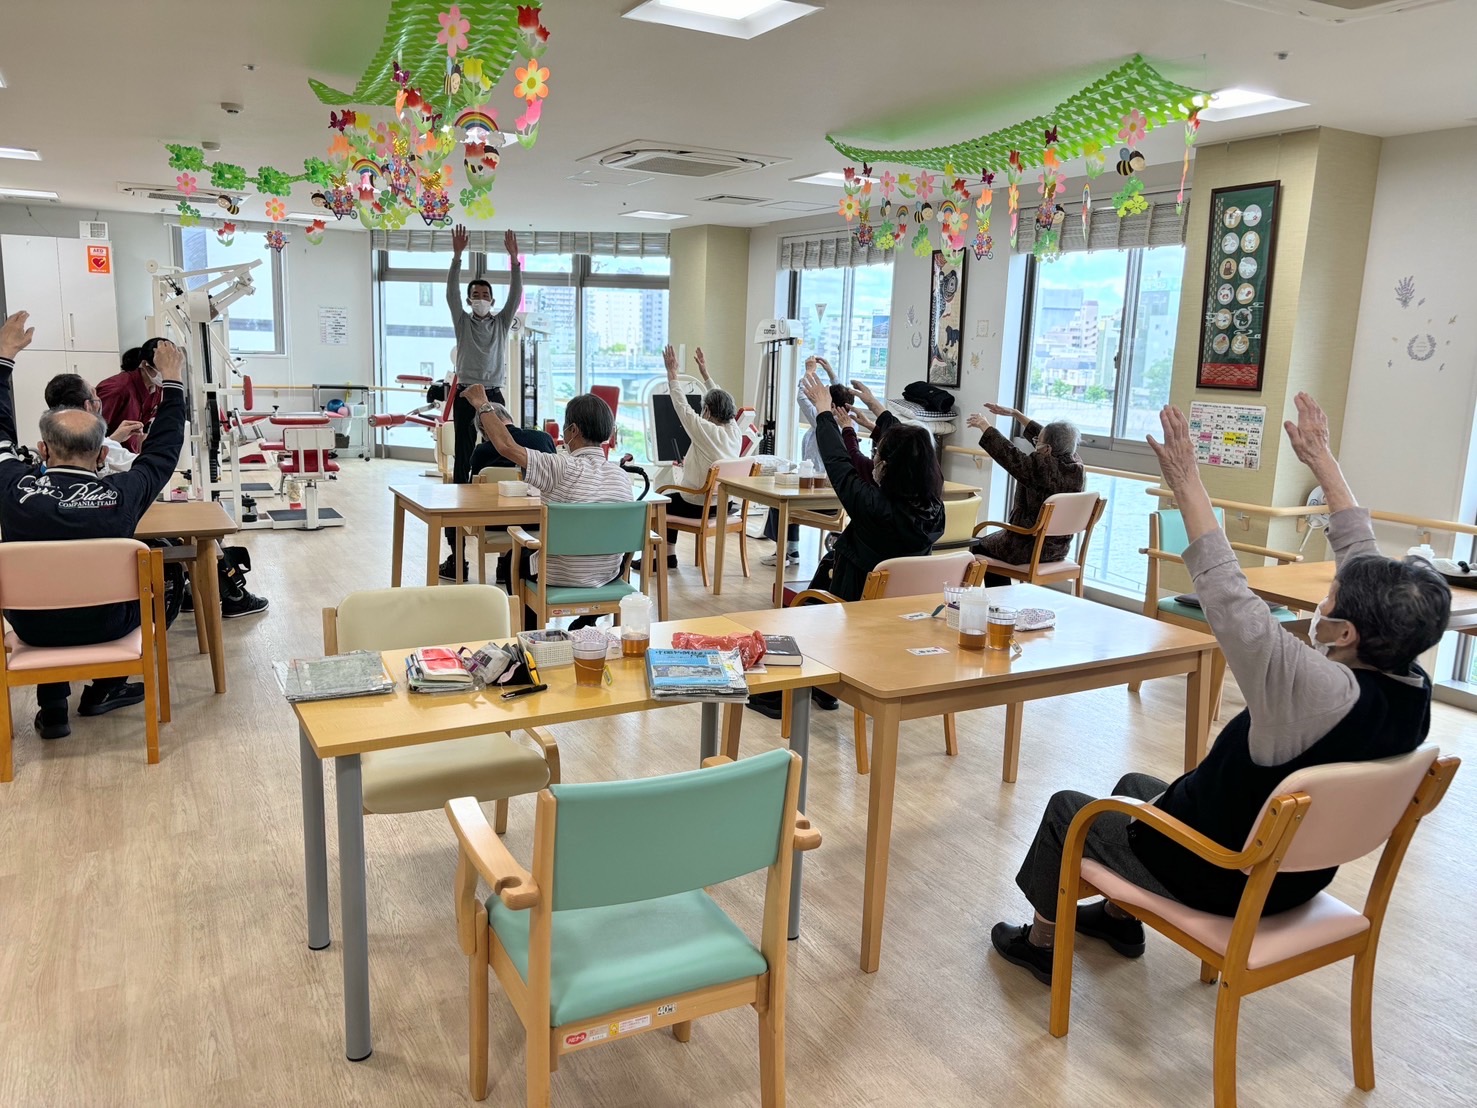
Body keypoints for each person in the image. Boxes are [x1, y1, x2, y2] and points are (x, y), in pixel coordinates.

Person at [990, 395, 1450, 986]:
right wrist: (1321, 460)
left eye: (1332, 598)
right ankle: (1119, 920)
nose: (1327, 597)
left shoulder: (1310, 688)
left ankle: (1040, 944)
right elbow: (1362, 559)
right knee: (1133, 787)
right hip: (1294, 873)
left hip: (1222, 870)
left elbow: (1225, 589)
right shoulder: (1410, 684)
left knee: (1067, 811)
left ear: (1345, 632)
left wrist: (1185, 478)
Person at [0, 313, 189, 741]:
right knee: (171, 574)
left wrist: (4, 358)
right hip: (108, 625)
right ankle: (107, 687)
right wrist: (174, 381)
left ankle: (53, 709)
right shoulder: (123, 494)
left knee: (48, 589)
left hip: (33, 627)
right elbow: (163, 449)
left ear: (43, 450)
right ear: (103, 455)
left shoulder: (14, 491)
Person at [749, 369, 944, 720]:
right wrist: (877, 411)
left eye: (879, 457)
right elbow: (913, 451)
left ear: (888, 468)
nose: (876, 461)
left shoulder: (874, 508)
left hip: (852, 608)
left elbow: (839, 463)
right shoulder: (934, 511)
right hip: (903, 616)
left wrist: (824, 413)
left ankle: (779, 697)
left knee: (802, 610)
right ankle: (824, 691)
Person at [41, 372, 268, 619]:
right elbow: (153, 465)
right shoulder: (116, 473)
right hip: (117, 611)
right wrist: (172, 383)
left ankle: (204, 592)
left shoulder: (30, 487)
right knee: (202, 536)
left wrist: (113, 440)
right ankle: (233, 596)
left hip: (42, 617)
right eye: (96, 396)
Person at [463, 384, 632, 629]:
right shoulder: (622, 477)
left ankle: (531, 633)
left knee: (513, 559)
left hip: (559, 574)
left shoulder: (558, 467)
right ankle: (587, 621)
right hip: (608, 574)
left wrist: (482, 404)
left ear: (573, 430)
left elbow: (506, 446)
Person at [441, 223, 523, 579]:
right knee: (462, 459)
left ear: (492, 299)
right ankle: (456, 553)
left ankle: (506, 552)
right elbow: (450, 293)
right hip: (465, 393)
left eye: (484, 294)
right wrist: (457, 256)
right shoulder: (462, 321)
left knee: (505, 453)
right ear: (468, 299)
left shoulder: (501, 322)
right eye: (474, 293)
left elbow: (516, 293)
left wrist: (514, 261)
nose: (479, 297)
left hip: (493, 394)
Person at [965, 402, 1084, 585]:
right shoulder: (1076, 466)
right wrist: (1016, 414)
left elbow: (1008, 453)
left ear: (1047, 450)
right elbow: (1054, 438)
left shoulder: (1039, 469)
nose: (1035, 443)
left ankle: (1000, 598)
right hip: (1058, 549)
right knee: (989, 543)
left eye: (1037, 442)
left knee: (978, 546)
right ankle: (1004, 597)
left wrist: (984, 425)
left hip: (1026, 546)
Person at [648, 344, 742, 570]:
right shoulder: (734, 430)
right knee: (672, 498)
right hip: (725, 505)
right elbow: (721, 400)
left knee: (660, 502)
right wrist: (705, 374)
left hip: (699, 505)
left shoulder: (707, 431)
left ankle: (661, 558)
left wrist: (672, 374)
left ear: (707, 411)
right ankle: (669, 557)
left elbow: (682, 408)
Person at [466, 400, 556, 587]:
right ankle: (505, 565)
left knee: (498, 503)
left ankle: (462, 567)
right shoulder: (543, 439)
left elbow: (473, 494)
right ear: (509, 417)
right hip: (540, 520)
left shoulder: (482, 451)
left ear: (484, 430)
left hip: (495, 525)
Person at [97, 344, 165, 453]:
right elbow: (92, 433)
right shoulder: (117, 389)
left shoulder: (156, 388)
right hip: (108, 454)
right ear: (145, 364)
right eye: (163, 367)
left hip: (130, 454)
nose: (168, 371)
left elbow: (145, 426)